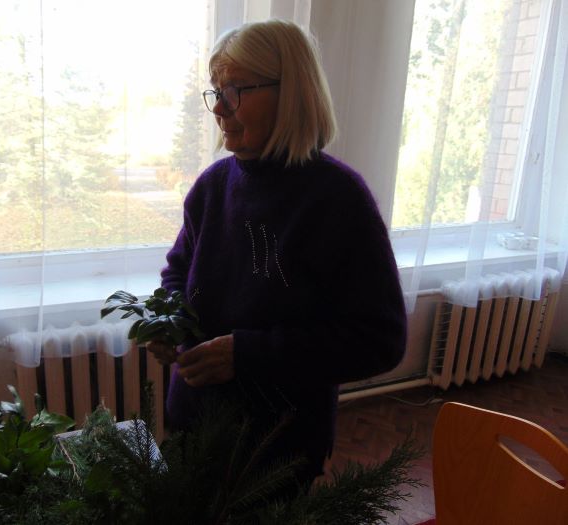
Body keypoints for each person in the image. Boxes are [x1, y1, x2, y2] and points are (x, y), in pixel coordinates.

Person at [147, 19, 406, 485]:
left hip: (277, 449)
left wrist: (247, 355)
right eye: (216, 92)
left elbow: (379, 340)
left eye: (235, 90)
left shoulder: (339, 199)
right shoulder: (212, 186)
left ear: (291, 93)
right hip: (192, 422)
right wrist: (169, 321)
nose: (219, 108)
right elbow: (178, 273)